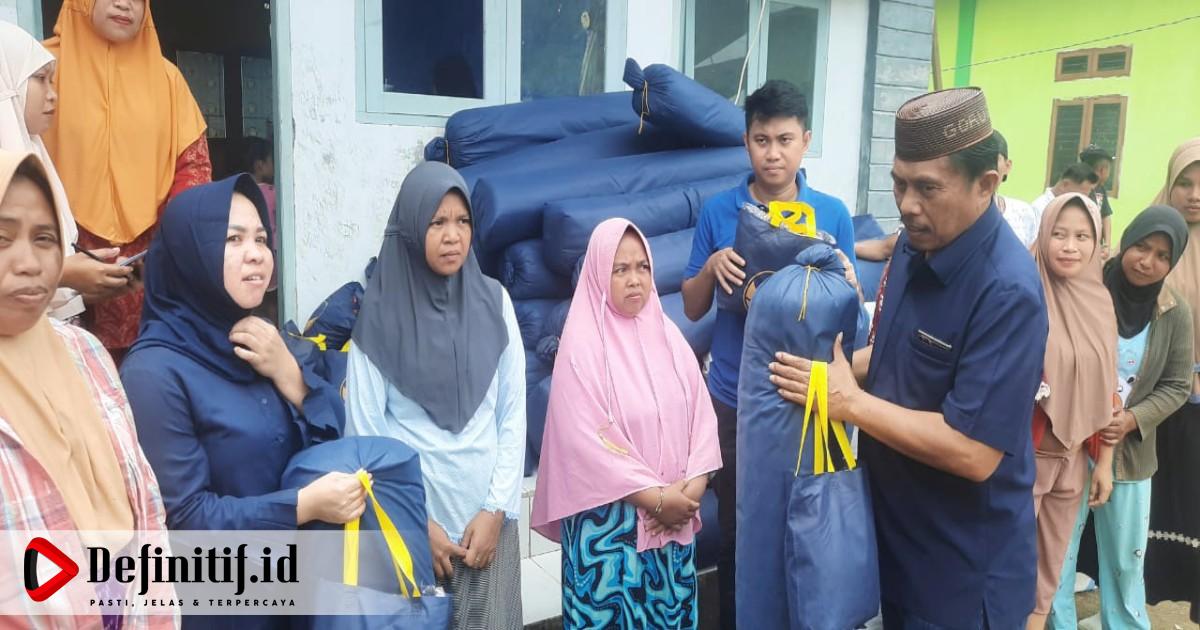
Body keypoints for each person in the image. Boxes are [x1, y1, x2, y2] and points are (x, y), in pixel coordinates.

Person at [771, 88, 1048, 629]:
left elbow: (974, 451)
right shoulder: (912, 245)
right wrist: (826, 373)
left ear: (986, 184)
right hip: (897, 550)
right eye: (899, 183)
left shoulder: (1007, 292)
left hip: (960, 578)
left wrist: (848, 403)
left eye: (927, 188)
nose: (907, 204)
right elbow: (897, 354)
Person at [119, 175, 356, 629]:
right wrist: (303, 506)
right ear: (191, 255)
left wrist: (289, 376)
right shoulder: (153, 374)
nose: (256, 254)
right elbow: (183, 521)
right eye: (233, 239)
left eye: (261, 239)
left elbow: (331, 434)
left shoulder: (259, 342)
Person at [680, 79, 856, 628]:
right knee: (739, 529)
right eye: (761, 140)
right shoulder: (720, 211)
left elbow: (848, 320)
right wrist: (712, 268)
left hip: (809, 400)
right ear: (746, 141)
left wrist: (847, 282)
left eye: (784, 140)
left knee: (807, 524)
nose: (773, 153)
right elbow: (691, 307)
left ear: (806, 141)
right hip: (735, 400)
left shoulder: (831, 214)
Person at [346, 161, 526, 630]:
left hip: (489, 532)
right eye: (436, 222)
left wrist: (496, 510)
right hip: (414, 537)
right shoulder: (378, 321)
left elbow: (512, 415)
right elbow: (365, 439)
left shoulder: (496, 303)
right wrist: (414, 526)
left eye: (462, 221)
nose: (452, 236)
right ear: (409, 228)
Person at [0, 148, 174, 628]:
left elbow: (147, 509)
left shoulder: (85, 351)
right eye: (2, 238)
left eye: (44, 238)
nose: (28, 263)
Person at [532, 218, 722, 629]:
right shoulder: (582, 350)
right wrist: (657, 500)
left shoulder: (669, 337)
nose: (635, 279)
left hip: (673, 524)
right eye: (620, 269)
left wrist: (693, 488)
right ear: (599, 273)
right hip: (609, 537)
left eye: (642, 267)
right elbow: (586, 443)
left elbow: (702, 419)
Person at [1049, 205, 1193, 629]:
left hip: (1130, 454)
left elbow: (1177, 386)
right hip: (1068, 444)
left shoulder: (1174, 311)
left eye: (1163, 256)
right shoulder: (1084, 290)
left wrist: (1131, 420)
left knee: (1126, 560)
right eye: (1141, 247)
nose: (1147, 262)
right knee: (1057, 551)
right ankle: (1057, 623)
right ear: (1126, 240)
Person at [43, 0, 212, 360]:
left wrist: (168, 243)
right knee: (69, 369)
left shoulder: (167, 80)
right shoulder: (43, 70)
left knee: (147, 369)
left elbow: (193, 166)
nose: (124, 4)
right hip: (63, 249)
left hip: (148, 257)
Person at [1025, 193, 1118, 630]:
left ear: (1097, 242)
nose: (1069, 246)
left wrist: (1105, 462)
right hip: (1026, 456)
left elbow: (1106, 388)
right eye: (1059, 234)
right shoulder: (1024, 293)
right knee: (1007, 562)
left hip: (1074, 458)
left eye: (1082, 236)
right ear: (1043, 234)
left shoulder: (1099, 302)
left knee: (1050, 569)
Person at [0, 21, 133, 321]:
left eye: (52, 81)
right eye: (40, 79)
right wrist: (62, 272)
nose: (53, 95)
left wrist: (87, 284)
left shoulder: (34, 156)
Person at [1145, 137, 1200, 623]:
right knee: (1153, 505)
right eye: (1185, 182)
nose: (1195, 194)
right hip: (1155, 400)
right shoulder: (1151, 238)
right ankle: (1134, 601)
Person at [994, 130, 1040, 249]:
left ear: (1007, 166)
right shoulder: (956, 213)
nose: (984, 167)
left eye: (992, 159)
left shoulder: (1024, 212)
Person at [1080, 144, 1116, 257]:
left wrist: (1107, 245)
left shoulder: (1100, 189)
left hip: (1096, 249)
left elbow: (1105, 216)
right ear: (1102, 170)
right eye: (1109, 169)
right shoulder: (1079, 189)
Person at [1032, 163, 1098, 217]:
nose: (1083, 200)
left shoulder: (1072, 209)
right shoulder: (1040, 209)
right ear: (1065, 185)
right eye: (1081, 195)